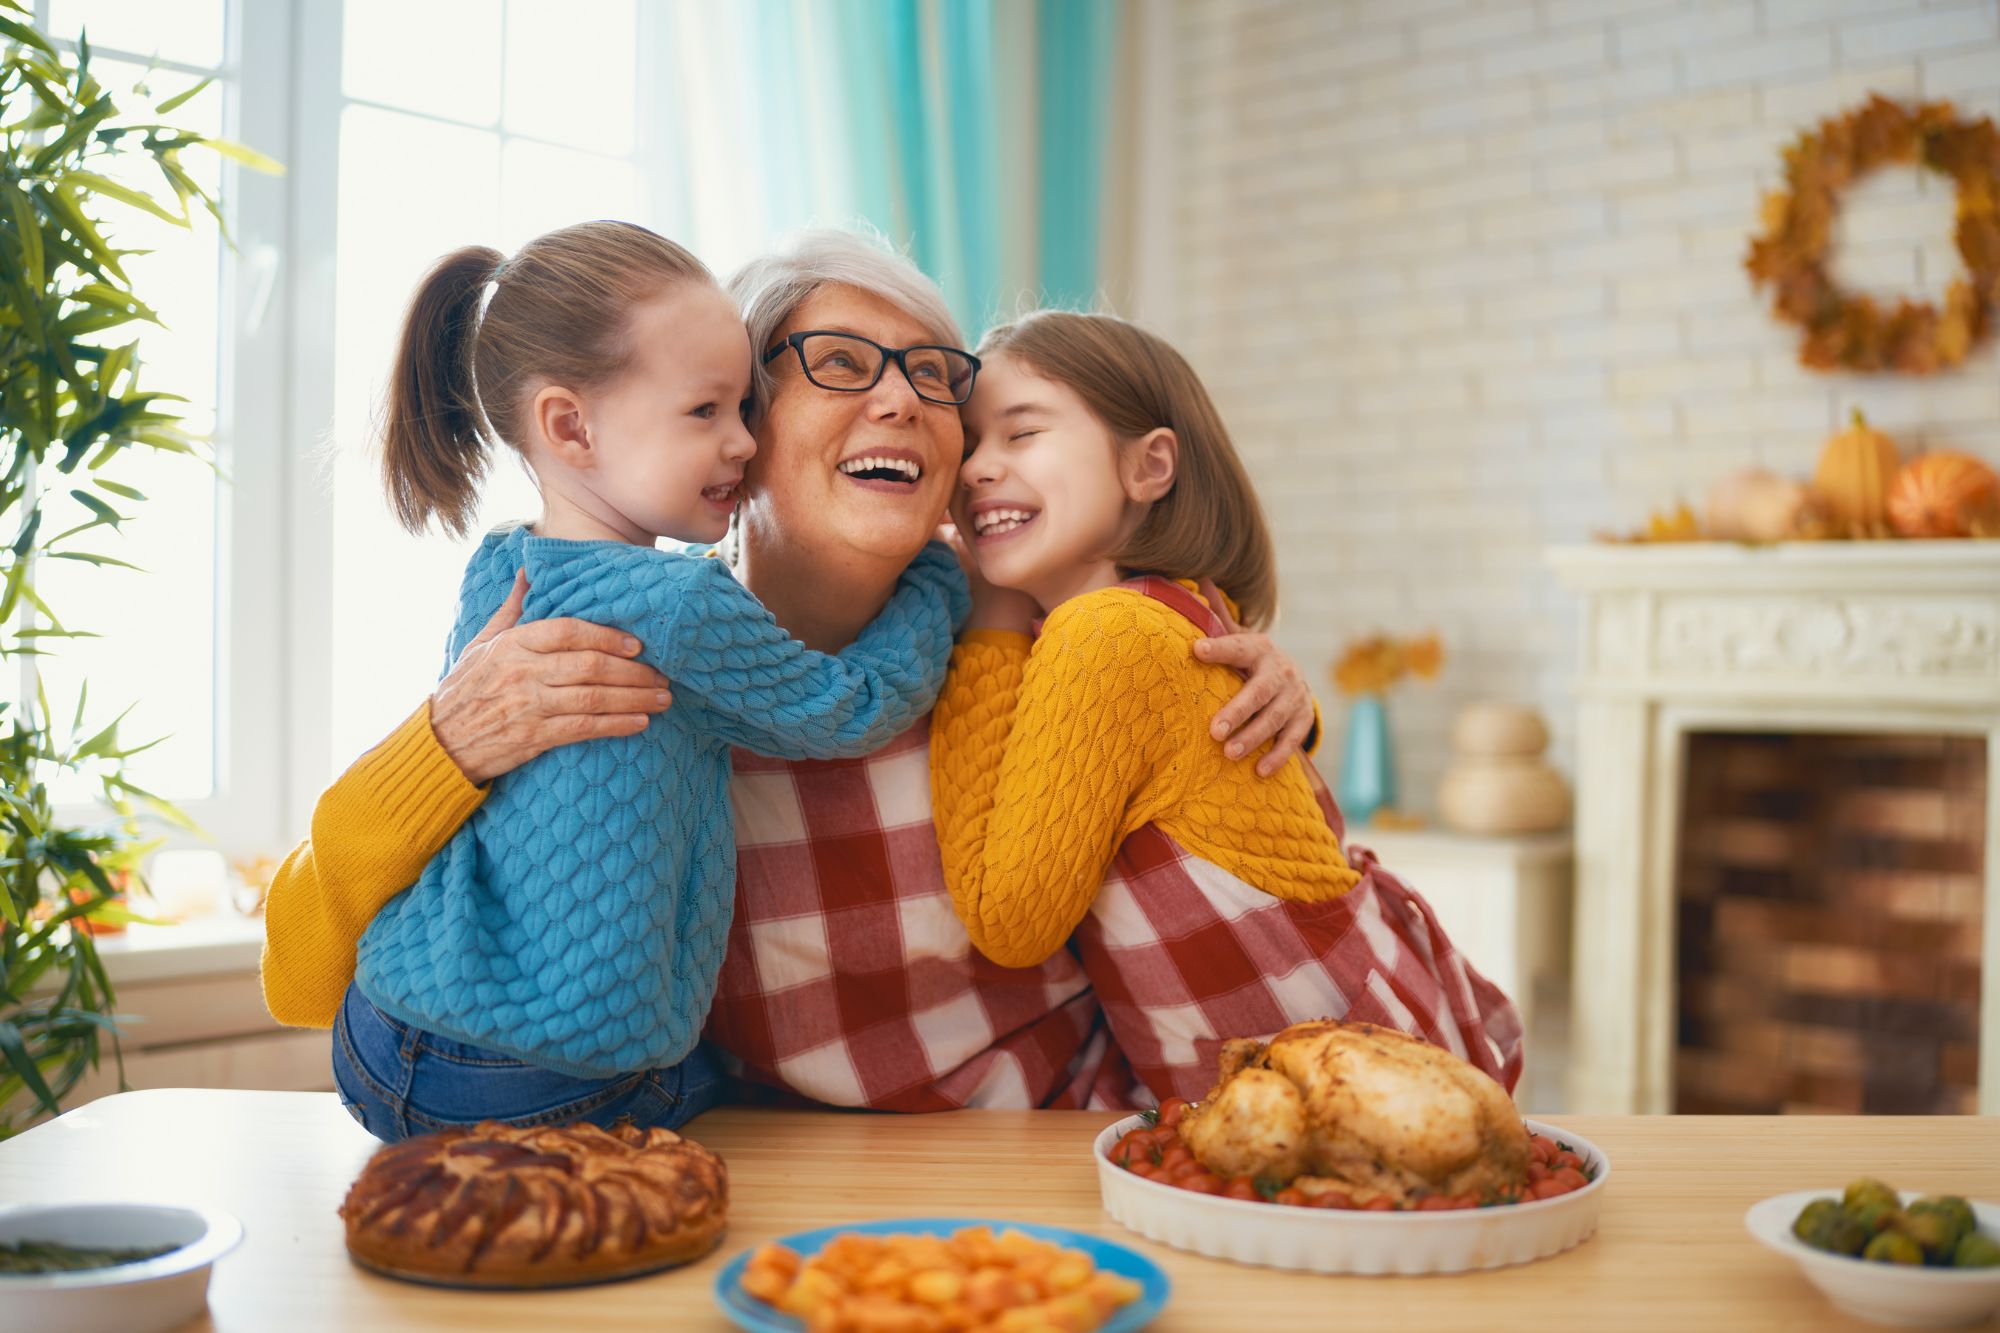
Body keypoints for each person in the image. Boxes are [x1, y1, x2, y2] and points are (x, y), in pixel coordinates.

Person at [261, 230, 1367, 1116]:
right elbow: (312, 962)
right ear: (735, 425)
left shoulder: (1039, 654)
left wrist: (1272, 696)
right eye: (838, 363)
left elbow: (1262, 876)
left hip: (1043, 1169)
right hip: (759, 1186)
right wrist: (441, 746)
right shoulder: (588, 664)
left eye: (936, 379)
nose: (900, 400)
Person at [323, 221, 966, 1142]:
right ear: (570, 425)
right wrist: (939, 582)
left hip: (380, 1033)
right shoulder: (679, 607)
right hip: (542, 1084)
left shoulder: (502, 566)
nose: (741, 442)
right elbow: (852, 708)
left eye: (745, 409)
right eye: (707, 413)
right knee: (728, 1097)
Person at [932, 311, 1522, 1101]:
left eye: (1022, 432)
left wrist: (988, 623)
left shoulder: (1102, 633)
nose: (976, 469)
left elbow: (1010, 922)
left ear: (1150, 466)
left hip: (1345, 1096)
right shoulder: (1180, 608)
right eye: (968, 443)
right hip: (1386, 1051)